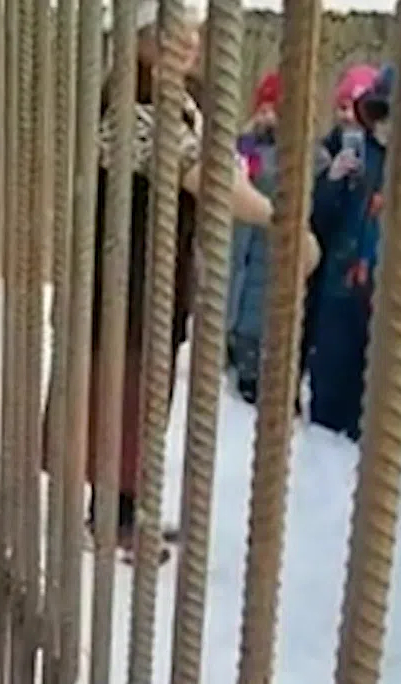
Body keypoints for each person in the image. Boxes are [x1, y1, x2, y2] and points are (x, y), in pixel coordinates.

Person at [44, 6, 315, 557]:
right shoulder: (129, 104)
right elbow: (206, 175)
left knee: (143, 389)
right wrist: (281, 222)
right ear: (140, 41)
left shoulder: (181, 98)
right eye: (170, 34)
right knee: (120, 389)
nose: (187, 43)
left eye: (192, 33)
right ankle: (112, 518)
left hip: (155, 272)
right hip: (121, 273)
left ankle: (123, 510)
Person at [303, 66, 394, 441]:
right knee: (331, 359)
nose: (388, 127)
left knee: (376, 366)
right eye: (382, 117)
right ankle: (324, 431)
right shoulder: (354, 155)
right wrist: (333, 182)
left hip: (388, 285)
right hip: (341, 278)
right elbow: (319, 216)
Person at [228, 70, 282, 404]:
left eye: (273, 109)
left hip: (270, 243)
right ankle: (236, 352)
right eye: (261, 108)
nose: (265, 116)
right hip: (244, 236)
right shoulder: (245, 144)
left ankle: (255, 368)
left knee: (262, 304)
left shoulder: (300, 153)